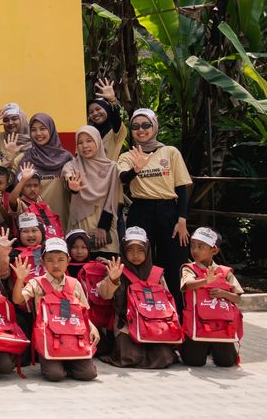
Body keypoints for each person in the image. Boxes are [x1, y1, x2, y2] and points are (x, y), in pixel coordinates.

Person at [118, 108, 192, 309]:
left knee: (174, 262)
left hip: (169, 211)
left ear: (154, 126)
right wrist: (136, 169)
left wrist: (182, 219)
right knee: (139, 262)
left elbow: (181, 187)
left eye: (145, 125)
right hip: (141, 210)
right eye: (135, 126)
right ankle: (143, 311)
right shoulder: (128, 155)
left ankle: (177, 314)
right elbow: (122, 177)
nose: (140, 130)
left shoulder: (170, 152)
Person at [11, 237, 100, 382]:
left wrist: (92, 327)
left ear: (68, 260)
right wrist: (20, 280)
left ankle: (69, 362)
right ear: (42, 261)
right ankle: (63, 363)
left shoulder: (74, 284)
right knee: (55, 375)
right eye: (50, 260)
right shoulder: (37, 283)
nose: (56, 264)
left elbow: (83, 312)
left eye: (60, 259)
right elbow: (17, 300)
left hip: (73, 337)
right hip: (48, 338)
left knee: (88, 374)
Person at [97, 227, 179, 370]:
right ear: (123, 250)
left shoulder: (157, 273)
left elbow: (167, 302)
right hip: (126, 324)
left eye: (140, 250)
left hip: (154, 324)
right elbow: (105, 294)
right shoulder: (117, 270)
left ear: (147, 250)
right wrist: (113, 280)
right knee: (130, 356)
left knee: (163, 357)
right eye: (130, 250)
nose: (135, 255)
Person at [180, 227, 243, 368]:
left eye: (200, 247)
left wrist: (224, 293)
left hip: (222, 324)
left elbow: (237, 298)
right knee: (194, 362)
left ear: (214, 251)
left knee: (227, 363)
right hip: (198, 324)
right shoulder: (189, 268)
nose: (195, 250)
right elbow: (188, 285)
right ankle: (200, 347)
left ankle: (212, 347)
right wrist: (205, 281)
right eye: (192, 246)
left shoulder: (225, 271)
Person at [66, 125, 121, 253]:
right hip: (80, 227)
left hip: (104, 228)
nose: (84, 146)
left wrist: (103, 227)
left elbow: (111, 201)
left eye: (89, 140)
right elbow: (68, 177)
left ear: (98, 141)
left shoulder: (111, 167)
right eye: (80, 142)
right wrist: (73, 187)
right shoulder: (72, 165)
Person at [14, 113, 73, 232]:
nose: (38, 134)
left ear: (51, 130)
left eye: (42, 128)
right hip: (32, 227)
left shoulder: (66, 158)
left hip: (61, 221)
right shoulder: (26, 159)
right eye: (33, 130)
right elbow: (17, 195)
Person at [87, 79, 127, 160]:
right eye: (91, 112)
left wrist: (112, 100)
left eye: (98, 109)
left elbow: (116, 118)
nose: (95, 113)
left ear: (107, 109)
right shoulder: (88, 133)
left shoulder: (116, 133)